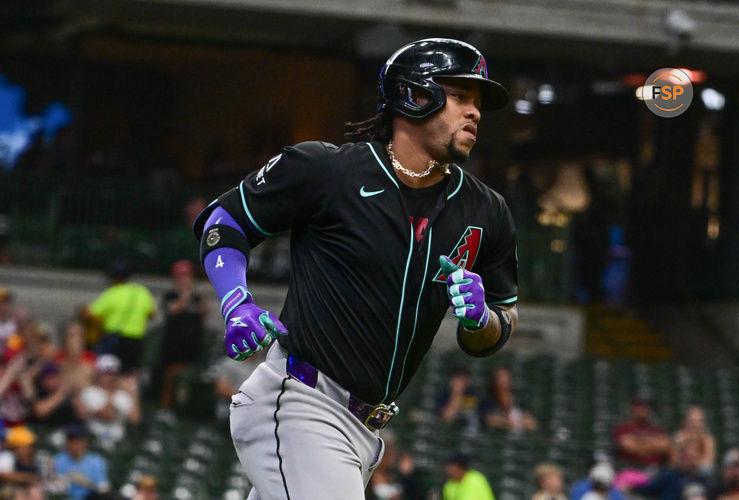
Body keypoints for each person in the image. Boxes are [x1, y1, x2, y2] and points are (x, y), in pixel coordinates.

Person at [192, 38, 518, 500]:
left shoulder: (488, 212)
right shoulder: (328, 170)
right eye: (461, 95)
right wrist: (234, 299)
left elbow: (503, 321)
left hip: (367, 431)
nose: (476, 112)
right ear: (414, 94)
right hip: (302, 401)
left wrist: (482, 319)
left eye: (479, 102)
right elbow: (223, 221)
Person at [86, 262, 156, 373]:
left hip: (116, 340)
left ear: (115, 278)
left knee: (110, 373)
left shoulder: (113, 292)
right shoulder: (142, 292)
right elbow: (152, 314)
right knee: (131, 374)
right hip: (137, 341)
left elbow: (90, 313)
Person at [159, 260, 207, 410]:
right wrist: (185, 296)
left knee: (188, 384)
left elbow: (204, 312)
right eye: (182, 276)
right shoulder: (170, 295)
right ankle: (166, 410)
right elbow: (172, 310)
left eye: (188, 276)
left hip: (193, 346)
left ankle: (186, 410)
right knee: (170, 380)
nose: (186, 280)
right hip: (174, 347)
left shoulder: (198, 297)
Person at [77, 354, 141, 448]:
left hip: (117, 443)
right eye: (106, 373)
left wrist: (133, 393)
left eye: (112, 373)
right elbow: (106, 416)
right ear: (98, 373)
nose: (109, 377)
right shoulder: (90, 392)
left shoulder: (122, 395)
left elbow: (135, 419)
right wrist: (111, 397)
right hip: (94, 440)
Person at [630, 438, 710, 500]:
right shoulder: (670, 476)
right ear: (681, 457)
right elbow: (649, 489)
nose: (690, 461)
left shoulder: (704, 480)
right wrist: (631, 487)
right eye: (687, 457)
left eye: (693, 457)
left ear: (700, 458)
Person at [52, 424, 110, 500]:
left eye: (78, 442)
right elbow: (53, 487)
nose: (75, 446)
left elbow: (104, 488)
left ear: (85, 442)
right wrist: (65, 480)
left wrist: (87, 483)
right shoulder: (58, 460)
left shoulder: (96, 461)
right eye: (71, 441)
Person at [612, 397, 671, 469]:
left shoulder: (658, 430)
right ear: (632, 407)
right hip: (630, 470)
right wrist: (654, 444)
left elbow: (665, 446)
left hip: (656, 471)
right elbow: (629, 447)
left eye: (646, 406)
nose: (643, 409)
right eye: (639, 405)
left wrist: (638, 442)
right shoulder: (622, 429)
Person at [481, 367, 537, 432]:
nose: (503, 382)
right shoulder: (487, 401)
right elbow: (488, 420)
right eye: (500, 379)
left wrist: (514, 422)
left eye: (506, 378)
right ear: (493, 383)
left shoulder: (517, 400)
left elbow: (532, 424)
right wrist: (508, 423)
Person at [0, 426, 43, 500]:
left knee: (35, 491)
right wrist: (26, 478)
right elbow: (3, 475)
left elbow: (38, 479)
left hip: (25, 490)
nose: (29, 449)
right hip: (7, 491)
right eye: (25, 446)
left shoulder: (35, 459)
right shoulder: (7, 457)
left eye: (30, 446)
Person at [673, 406, 716, 473]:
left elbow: (708, 463)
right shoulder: (679, 437)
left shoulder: (708, 440)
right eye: (692, 421)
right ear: (686, 421)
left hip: (700, 473)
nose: (695, 425)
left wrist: (693, 463)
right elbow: (674, 460)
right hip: (681, 472)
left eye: (698, 421)